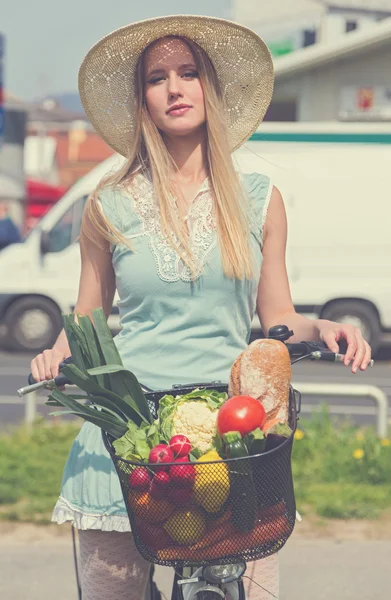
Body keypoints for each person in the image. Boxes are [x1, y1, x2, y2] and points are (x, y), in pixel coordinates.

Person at [30, 15, 372, 600]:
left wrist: (325, 326)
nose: (175, 88)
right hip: (129, 434)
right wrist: (57, 352)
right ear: (143, 98)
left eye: (189, 73)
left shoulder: (261, 199)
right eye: (158, 77)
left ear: (209, 90)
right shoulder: (106, 203)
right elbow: (86, 318)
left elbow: (278, 319)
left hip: (232, 434)